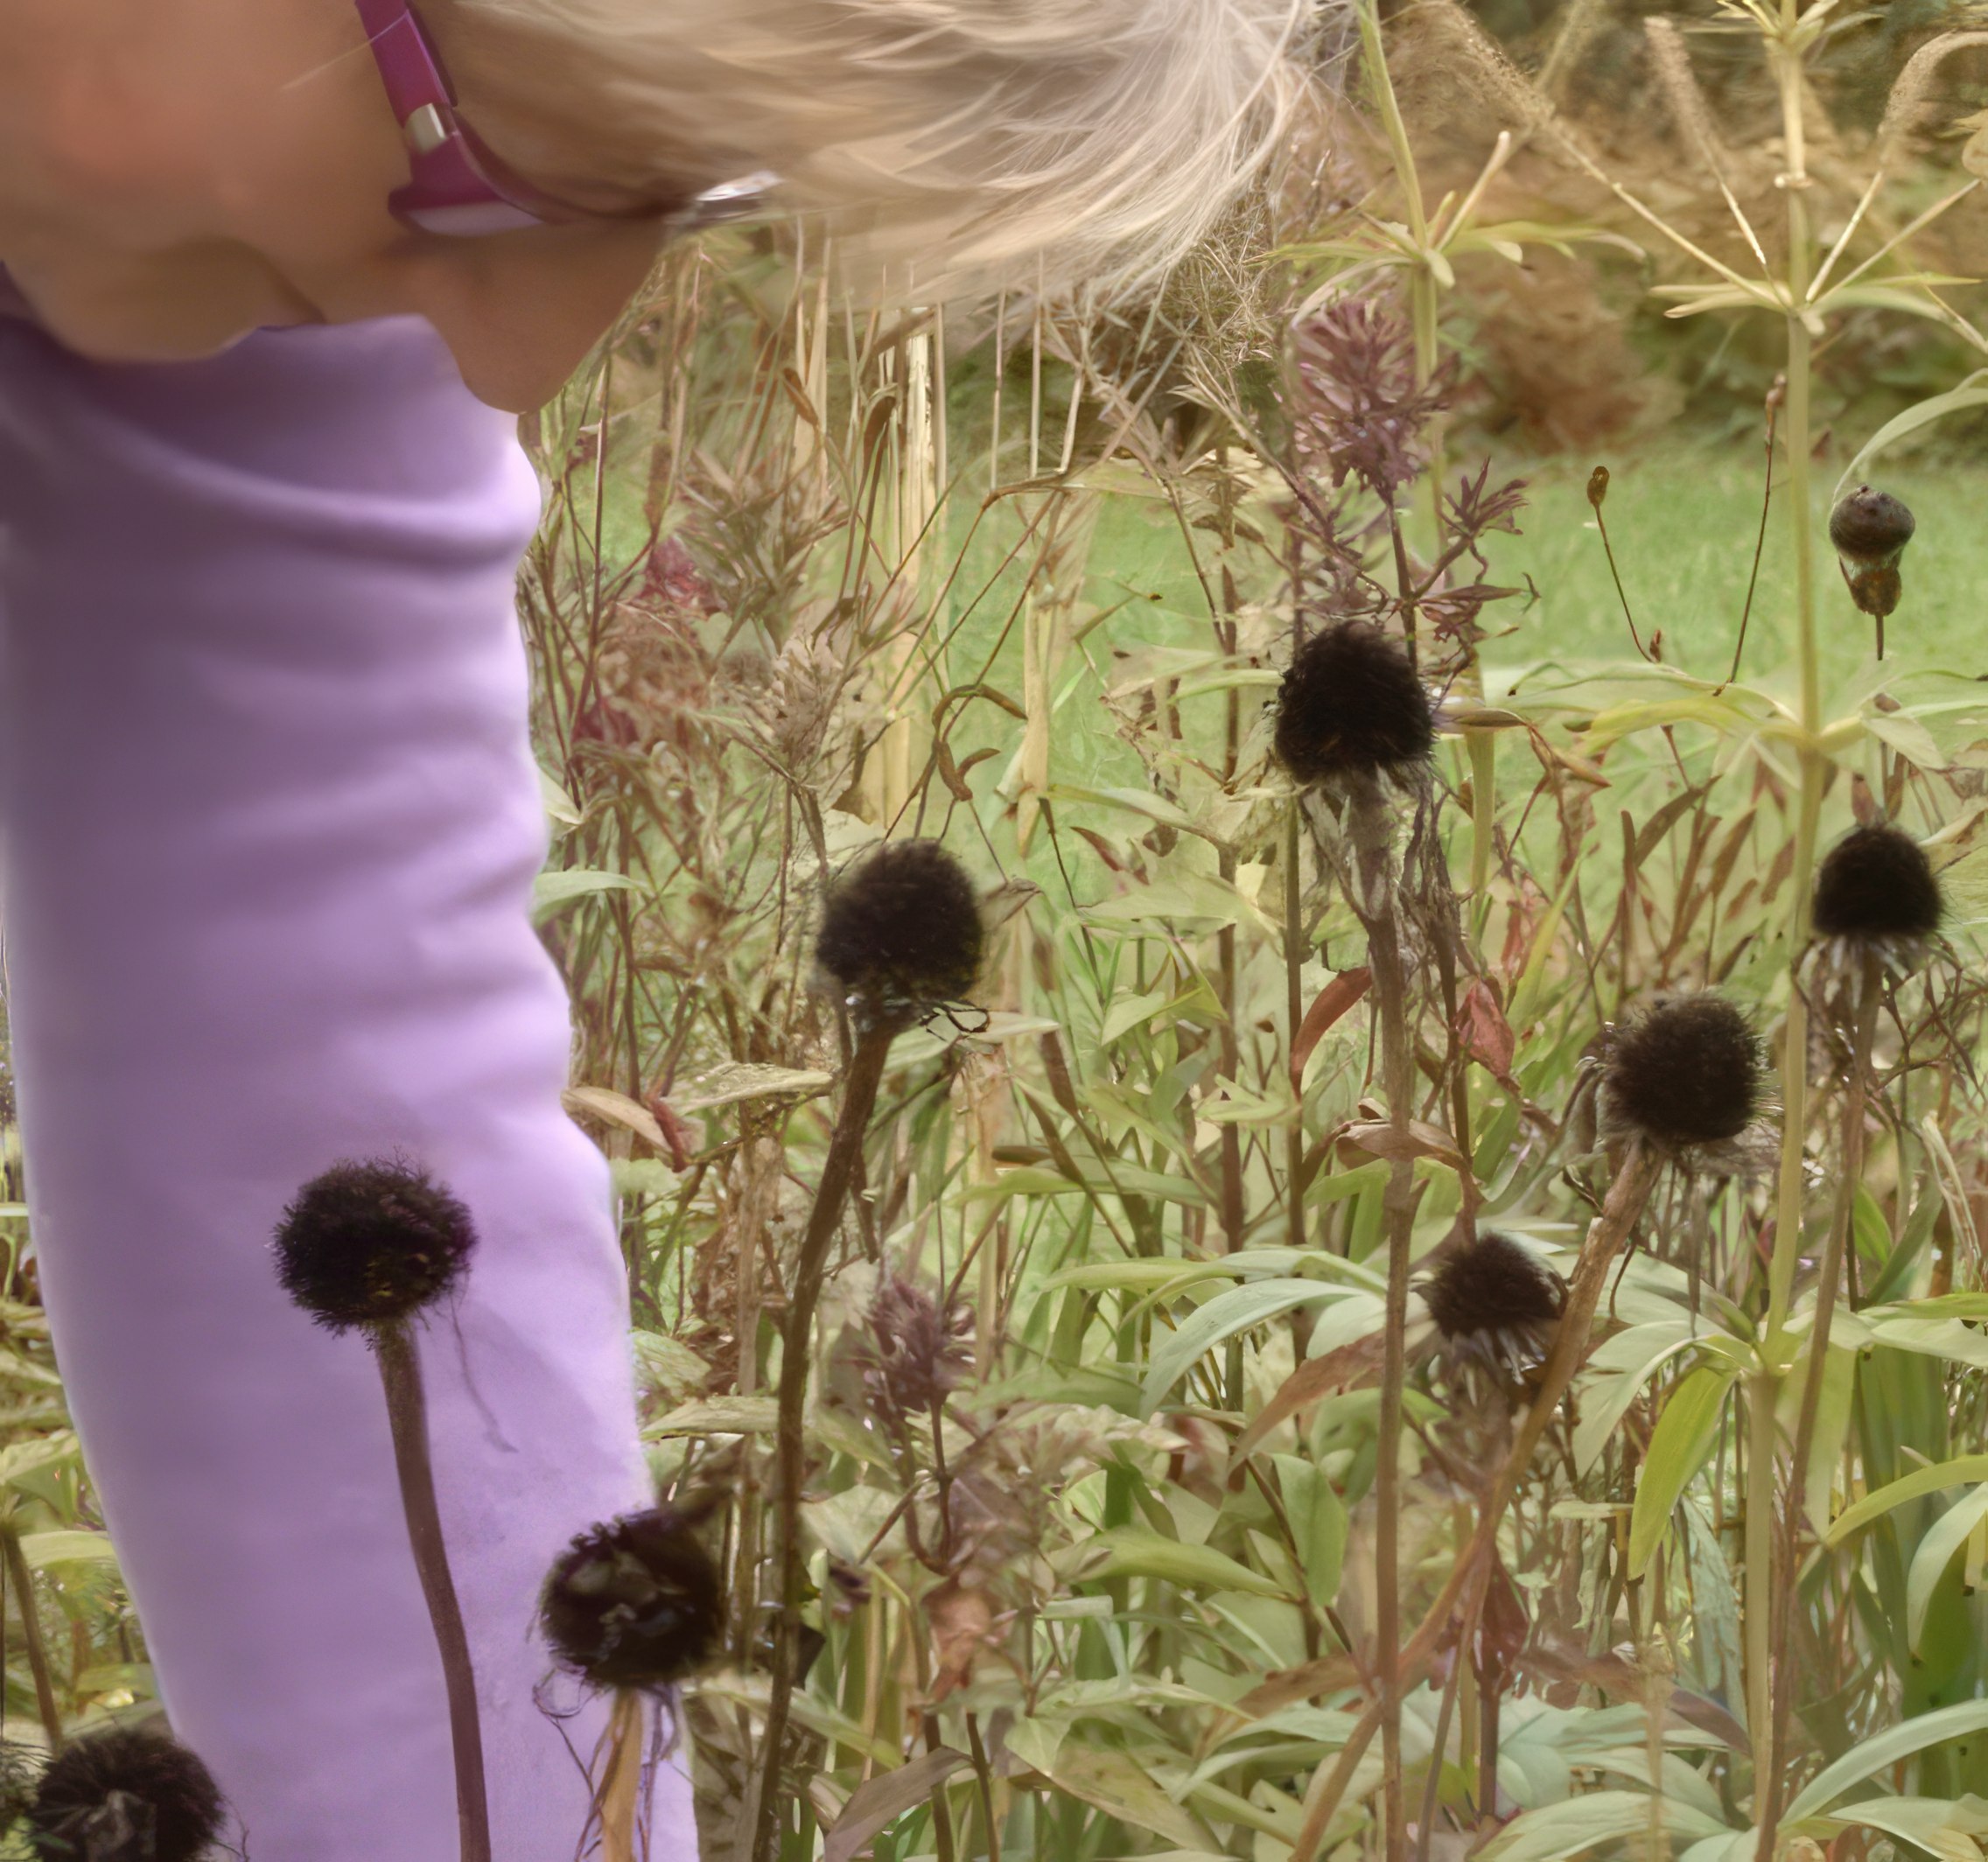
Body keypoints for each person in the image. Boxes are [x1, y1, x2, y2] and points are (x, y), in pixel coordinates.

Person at [0, 0, 1301, 1854]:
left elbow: (332, 1084)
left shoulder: (278, 267)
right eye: (482, 163)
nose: (522, 348)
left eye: (683, 205)